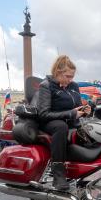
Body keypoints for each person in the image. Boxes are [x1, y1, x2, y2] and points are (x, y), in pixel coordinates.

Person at [37, 55, 91, 191]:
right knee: (61, 126)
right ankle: (58, 173)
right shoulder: (46, 85)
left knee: (93, 129)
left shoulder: (73, 86)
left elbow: (77, 107)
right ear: (57, 72)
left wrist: (86, 110)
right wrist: (71, 113)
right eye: (67, 76)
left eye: (72, 76)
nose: (70, 80)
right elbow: (43, 114)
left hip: (71, 121)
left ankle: (86, 173)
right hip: (50, 122)